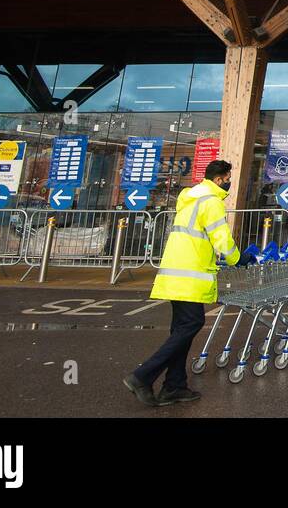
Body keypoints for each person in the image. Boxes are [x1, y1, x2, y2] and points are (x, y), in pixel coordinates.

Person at [124, 159, 246, 407]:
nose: (230, 183)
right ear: (220, 179)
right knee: (192, 323)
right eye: (228, 178)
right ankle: (142, 376)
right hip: (190, 275)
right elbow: (221, 240)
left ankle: (174, 386)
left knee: (181, 329)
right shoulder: (211, 202)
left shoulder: (189, 199)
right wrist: (238, 258)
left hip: (175, 274)